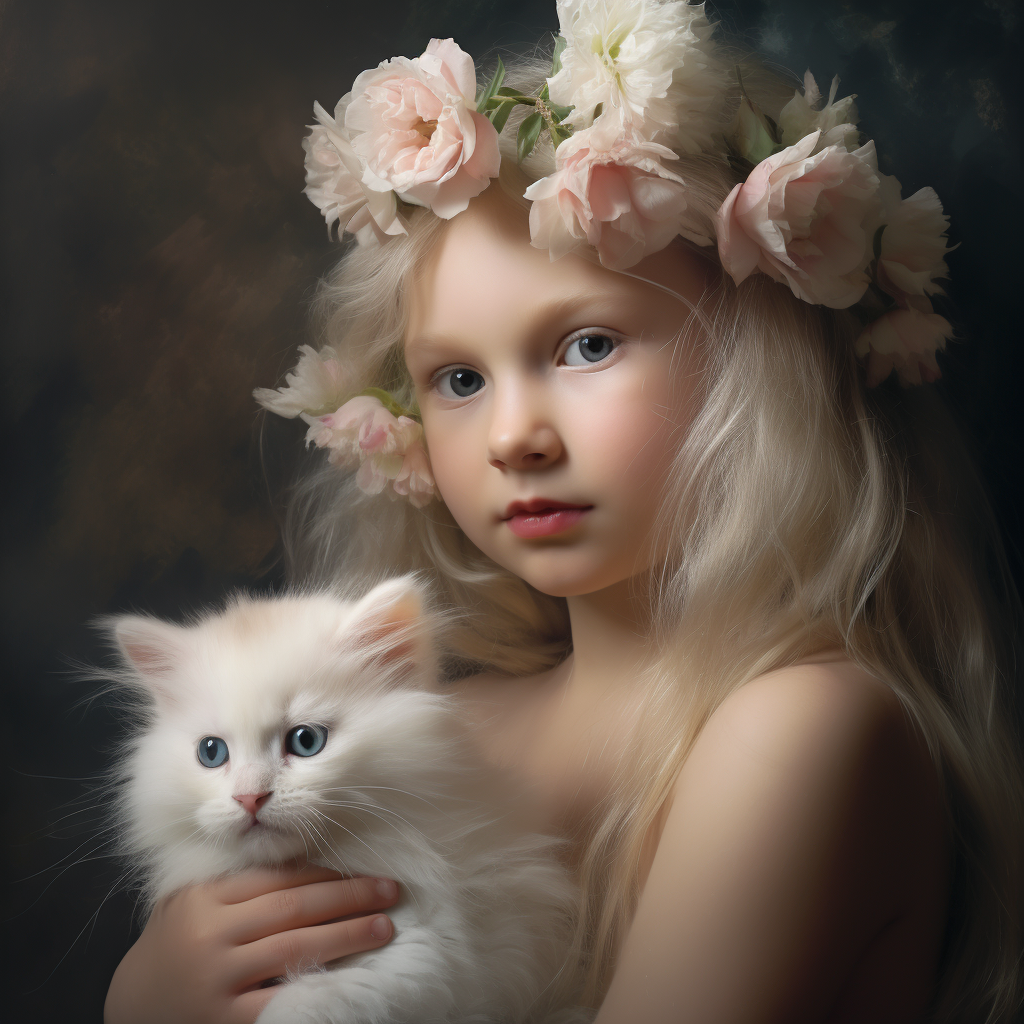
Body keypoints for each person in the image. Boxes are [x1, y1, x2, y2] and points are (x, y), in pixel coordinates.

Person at [104, 2, 1023, 1021]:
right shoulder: (436, 727)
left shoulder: (804, 728)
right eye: (456, 378)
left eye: (586, 346)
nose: (512, 437)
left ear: (760, 364)